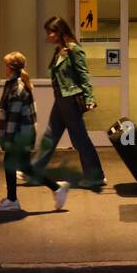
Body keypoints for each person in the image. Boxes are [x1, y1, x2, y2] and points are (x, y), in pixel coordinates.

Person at [21, 16, 106, 190]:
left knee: (80, 139)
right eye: (48, 32)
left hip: (70, 99)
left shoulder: (74, 50)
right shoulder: (60, 50)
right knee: (51, 135)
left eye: (51, 32)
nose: (49, 35)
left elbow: (84, 75)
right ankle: (34, 171)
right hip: (61, 98)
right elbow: (53, 72)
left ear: (60, 32)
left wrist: (89, 98)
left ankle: (96, 176)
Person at [0, 52, 69, 212]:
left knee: (9, 163)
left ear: (11, 68)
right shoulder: (13, 83)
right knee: (26, 168)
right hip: (23, 133)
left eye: (5, 65)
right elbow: (3, 103)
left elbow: (13, 116)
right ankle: (56, 188)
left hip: (20, 135)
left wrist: (7, 140)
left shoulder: (17, 87)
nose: (4, 68)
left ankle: (13, 200)